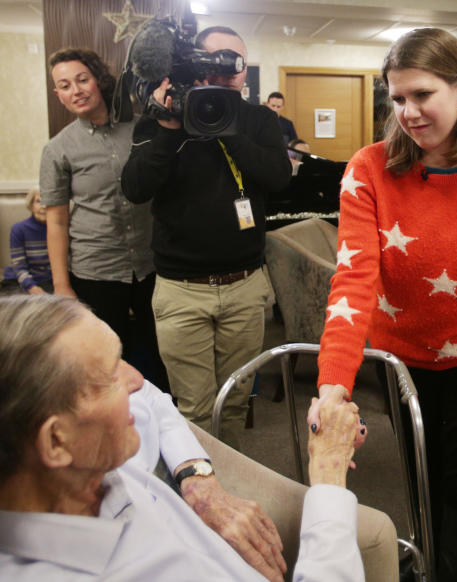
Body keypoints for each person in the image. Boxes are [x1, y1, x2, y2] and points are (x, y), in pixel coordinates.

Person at [308, 28, 457, 582]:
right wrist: (332, 387)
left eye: (421, 95)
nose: (408, 112)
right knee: (420, 477)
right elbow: (353, 281)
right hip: (401, 362)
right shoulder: (368, 168)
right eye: (396, 98)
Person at [0, 295, 366, 582]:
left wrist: (200, 483)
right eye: (111, 374)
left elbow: (155, 401)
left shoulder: (60, 464)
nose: (138, 379)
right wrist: (327, 478)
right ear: (55, 443)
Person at [121, 26, 291, 449]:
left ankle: (228, 487)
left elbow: (279, 177)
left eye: (235, 60)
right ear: (196, 64)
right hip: (181, 291)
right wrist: (170, 127)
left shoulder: (259, 120)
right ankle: (198, 492)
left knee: (235, 403)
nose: (227, 69)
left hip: (245, 286)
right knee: (194, 407)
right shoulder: (161, 120)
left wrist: (228, 130)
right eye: (214, 60)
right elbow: (136, 188)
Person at [39, 48, 164, 389]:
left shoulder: (143, 129)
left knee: (160, 359)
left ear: (98, 81)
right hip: (96, 269)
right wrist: (62, 286)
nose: (76, 91)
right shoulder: (57, 149)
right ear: (58, 95)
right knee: (104, 365)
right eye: (64, 86)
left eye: (82, 80)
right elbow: (57, 222)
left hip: (152, 263)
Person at [1, 188, 52, 294]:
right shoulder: (18, 229)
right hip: (19, 279)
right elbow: (19, 265)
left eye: (49, 201)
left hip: (47, 280)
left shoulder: (61, 229)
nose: (44, 206)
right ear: (31, 205)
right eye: (39, 201)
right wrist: (31, 287)